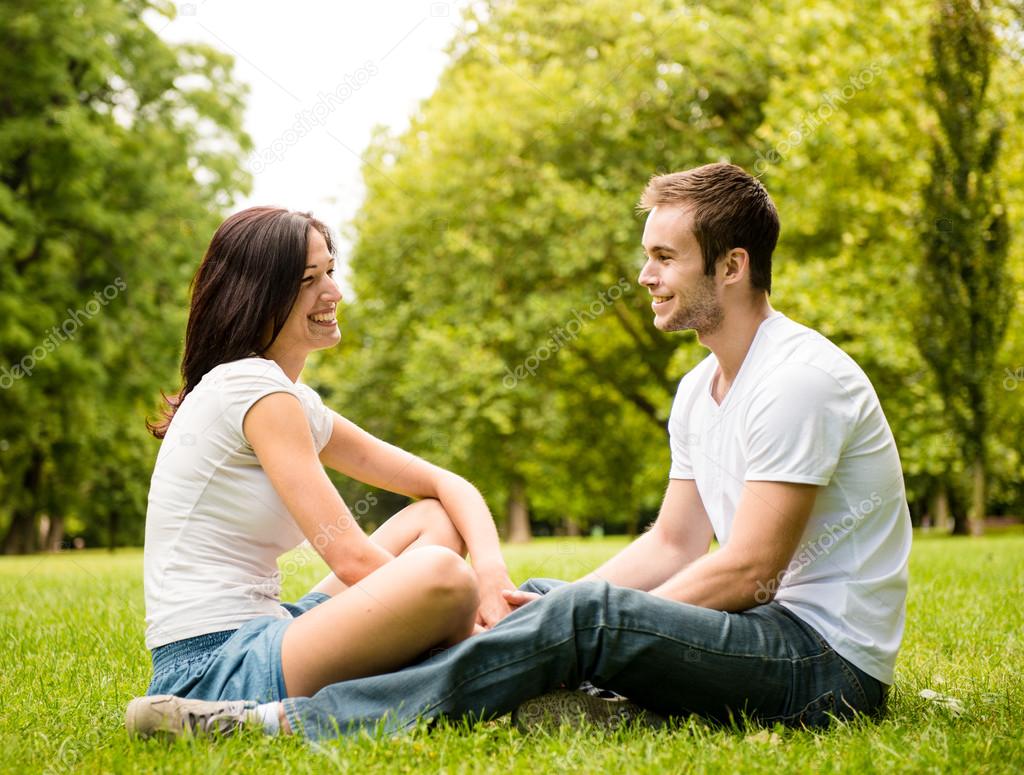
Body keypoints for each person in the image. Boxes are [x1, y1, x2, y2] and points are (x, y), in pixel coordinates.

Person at [126, 163, 911, 740]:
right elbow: (672, 542)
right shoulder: (698, 391)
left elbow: (751, 570)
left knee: (576, 613)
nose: (644, 276)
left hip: (819, 661)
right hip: (758, 630)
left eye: (665, 258)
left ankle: (286, 722)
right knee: (545, 596)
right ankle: (551, 679)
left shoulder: (798, 379)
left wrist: (577, 621)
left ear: (731, 266)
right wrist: (545, 607)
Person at [130, 207, 515, 726]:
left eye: (330, 271)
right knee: (443, 577)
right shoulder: (251, 387)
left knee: (434, 521)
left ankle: (300, 706)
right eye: (309, 280)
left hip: (269, 632)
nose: (332, 292)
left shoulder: (288, 398)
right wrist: (477, 623)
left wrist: (491, 577)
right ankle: (261, 719)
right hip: (212, 667)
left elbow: (445, 485)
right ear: (258, 295)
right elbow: (353, 561)